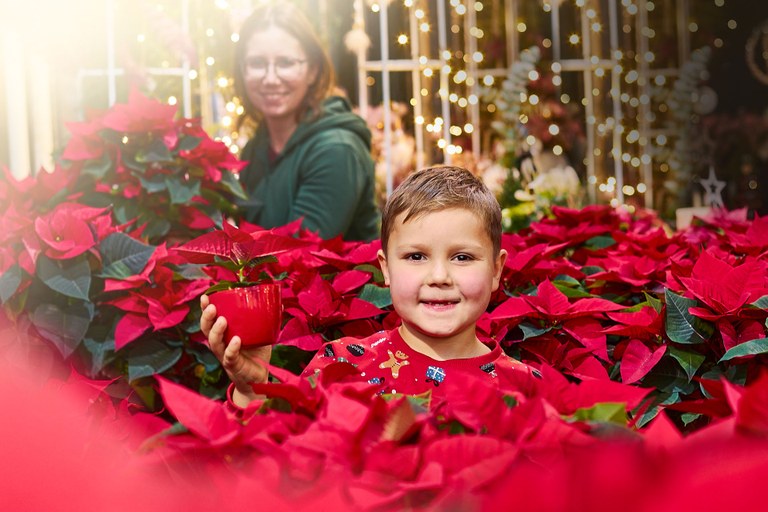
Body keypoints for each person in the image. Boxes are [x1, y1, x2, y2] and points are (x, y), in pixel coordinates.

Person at [201, 166, 533, 410]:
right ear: (385, 268)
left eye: (462, 257)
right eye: (416, 256)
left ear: (496, 270)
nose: (439, 276)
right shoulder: (341, 365)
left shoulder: (527, 389)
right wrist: (253, 390)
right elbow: (281, 468)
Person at [233, 2, 379, 241]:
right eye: (257, 63)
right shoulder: (255, 148)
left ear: (312, 70)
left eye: (285, 63)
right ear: (242, 70)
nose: (270, 78)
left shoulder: (337, 149)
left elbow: (298, 255)